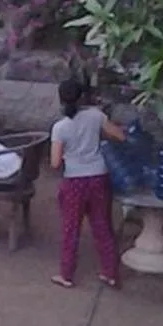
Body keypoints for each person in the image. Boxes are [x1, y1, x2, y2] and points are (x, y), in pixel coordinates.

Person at [50, 76, 125, 288]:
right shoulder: (96, 116)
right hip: (99, 177)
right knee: (102, 226)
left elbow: (55, 163)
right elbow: (120, 136)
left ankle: (66, 274)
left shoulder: (60, 127)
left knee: (71, 228)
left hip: (74, 181)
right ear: (82, 96)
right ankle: (110, 273)